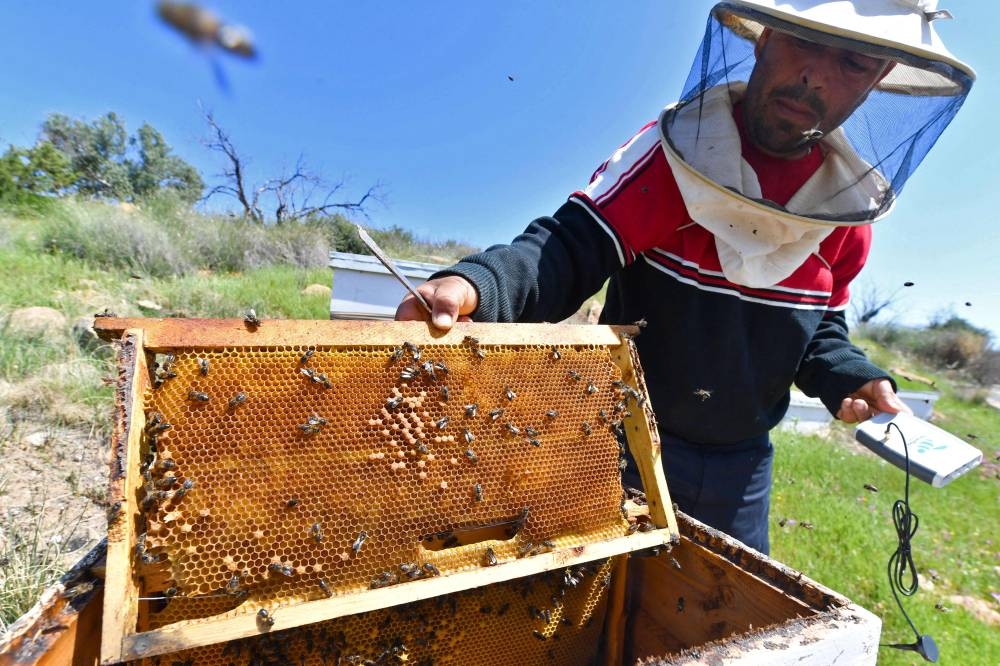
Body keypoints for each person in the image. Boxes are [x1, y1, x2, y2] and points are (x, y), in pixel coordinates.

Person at [395, 0, 974, 555]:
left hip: (743, 467)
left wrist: (851, 376)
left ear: (878, 79)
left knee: (721, 627)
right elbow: (567, 249)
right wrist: (479, 285)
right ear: (765, 34)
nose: (815, 77)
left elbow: (820, 327)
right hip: (624, 441)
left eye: (852, 62)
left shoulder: (844, 212)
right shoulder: (674, 158)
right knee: (594, 609)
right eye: (805, 41)